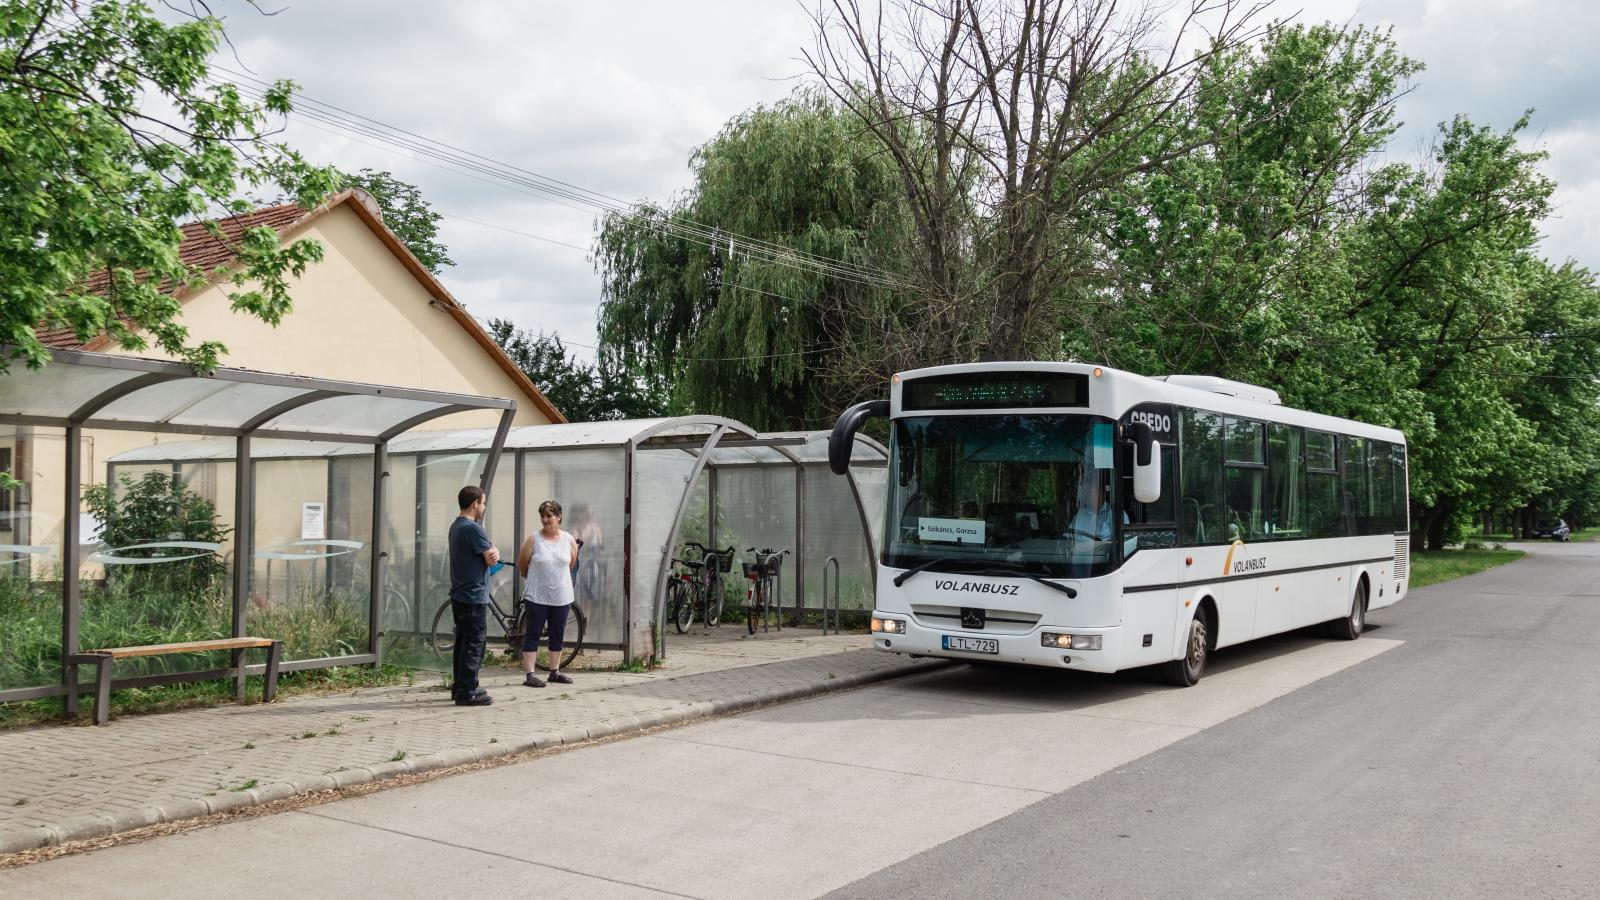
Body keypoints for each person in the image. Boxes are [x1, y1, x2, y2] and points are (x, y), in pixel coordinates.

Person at [516, 499, 579, 687]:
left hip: (561, 595)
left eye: (549, 516)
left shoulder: (568, 540)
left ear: (558, 517)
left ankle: (554, 672)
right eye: (542, 516)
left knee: (557, 633)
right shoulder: (534, 539)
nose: (545, 519)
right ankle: (530, 674)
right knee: (533, 633)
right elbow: (522, 565)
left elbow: (571, 563)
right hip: (537, 595)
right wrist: (538, 579)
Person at [448, 485, 499, 707]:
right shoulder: (473, 528)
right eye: (483, 503)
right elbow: (491, 559)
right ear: (474, 504)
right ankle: (468, 690)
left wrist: (490, 551)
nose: (484, 507)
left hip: (460, 594)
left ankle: (459, 685)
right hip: (473, 595)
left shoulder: (455, 526)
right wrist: (494, 552)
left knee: (462, 642)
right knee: (474, 643)